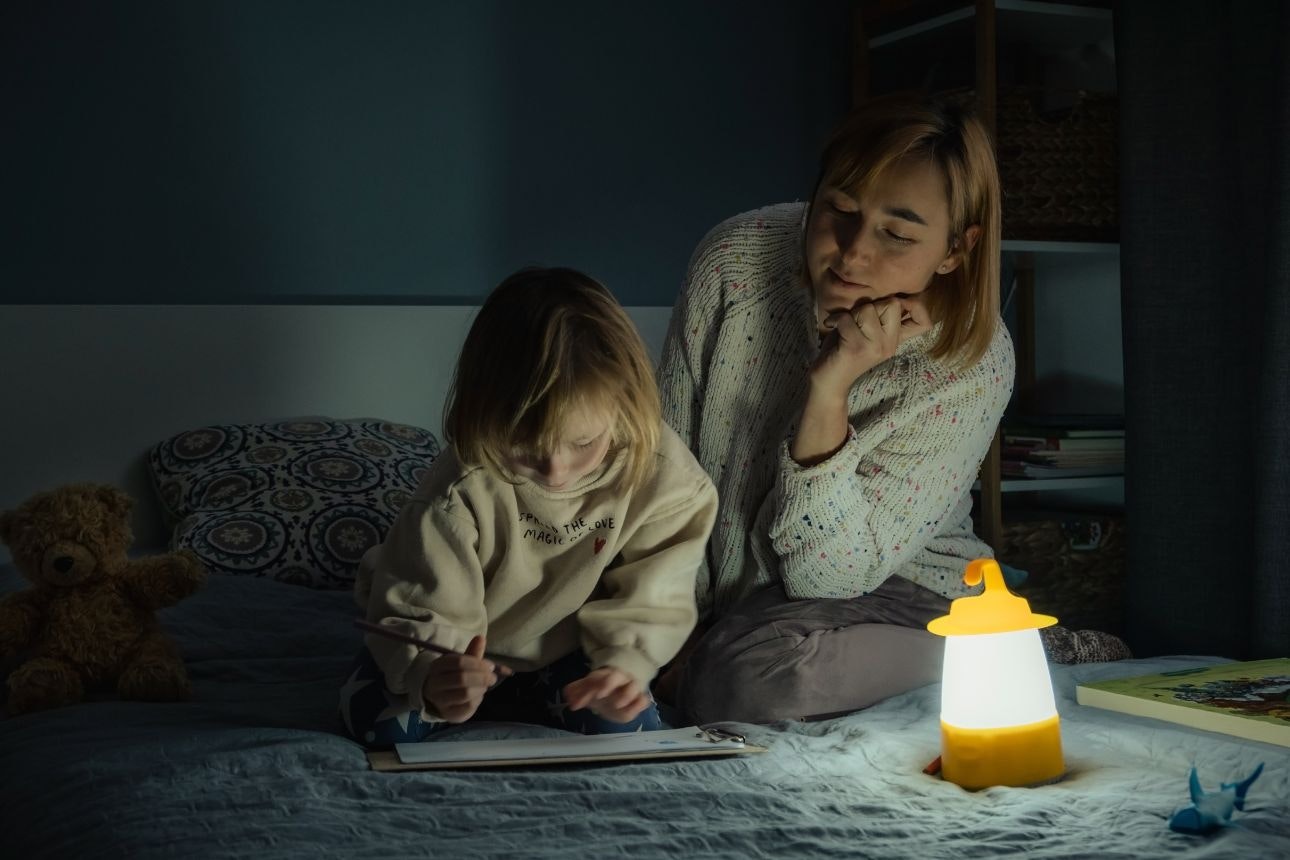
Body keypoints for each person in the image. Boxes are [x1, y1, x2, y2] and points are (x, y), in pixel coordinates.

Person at [654, 93, 1016, 725]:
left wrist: (832, 386)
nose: (851, 255)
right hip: (739, 607)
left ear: (957, 249)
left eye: (897, 235)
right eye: (838, 211)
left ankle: (1005, 652)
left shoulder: (972, 362)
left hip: (889, 592)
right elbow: (661, 464)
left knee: (747, 682)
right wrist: (664, 625)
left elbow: (828, 575)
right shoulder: (734, 264)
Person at [341, 267, 718, 747]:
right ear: (486, 413)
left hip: (569, 649)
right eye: (525, 445)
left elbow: (655, 591)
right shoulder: (461, 487)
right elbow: (422, 603)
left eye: (583, 443)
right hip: (458, 646)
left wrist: (626, 663)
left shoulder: (665, 478)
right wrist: (435, 675)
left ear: (625, 403)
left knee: (627, 731)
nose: (556, 472)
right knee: (380, 726)